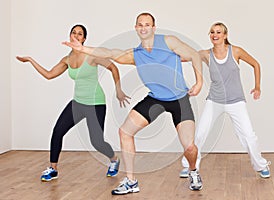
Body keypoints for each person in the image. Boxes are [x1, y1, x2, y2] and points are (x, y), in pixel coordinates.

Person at [63, 13, 204, 194]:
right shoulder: (135, 55)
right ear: (136, 28)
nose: (143, 27)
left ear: (153, 27)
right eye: (140, 24)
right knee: (125, 131)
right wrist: (83, 49)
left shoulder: (169, 42)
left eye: (147, 24)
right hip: (155, 99)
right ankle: (131, 181)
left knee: (189, 147)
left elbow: (194, 55)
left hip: (179, 99)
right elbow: (110, 53)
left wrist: (199, 82)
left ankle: (193, 171)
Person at [16, 24, 130, 182]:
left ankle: (113, 159)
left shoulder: (92, 56)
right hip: (77, 103)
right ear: (70, 36)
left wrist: (118, 90)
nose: (76, 36)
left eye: (80, 34)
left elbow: (113, 68)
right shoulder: (67, 60)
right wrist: (30, 60)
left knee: (97, 141)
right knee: (58, 132)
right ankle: (53, 168)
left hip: (96, 103)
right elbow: (49, 75)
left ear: (84, 39)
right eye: (74, 33)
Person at [180, 22, 271, 181]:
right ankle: (189, 165)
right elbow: (185, 57)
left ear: (225, 35)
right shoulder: (206, 54)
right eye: (212, 32)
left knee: (249, 136)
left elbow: (256, 64)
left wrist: (257, 87)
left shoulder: (236, 51)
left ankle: (261, 166)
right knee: (200, 134)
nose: (215, 35)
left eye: (219, 32)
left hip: (236, 102)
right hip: (214, 101)